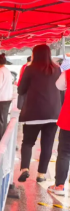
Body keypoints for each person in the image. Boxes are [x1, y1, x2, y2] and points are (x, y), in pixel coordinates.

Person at [17, 45, 62, 183]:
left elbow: (21, 90)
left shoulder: (30, 68)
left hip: (34, 113)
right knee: (47, 145)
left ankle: (25, 169)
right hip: (53, 113)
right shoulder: (57, 69)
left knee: (28, 142)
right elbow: (61, 90)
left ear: (35, 54)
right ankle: (41, 174)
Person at [48, 60, 70, 195]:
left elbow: (59, 86)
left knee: (64, 152)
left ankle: (60, 185)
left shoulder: (67, 73)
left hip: (68, 120)